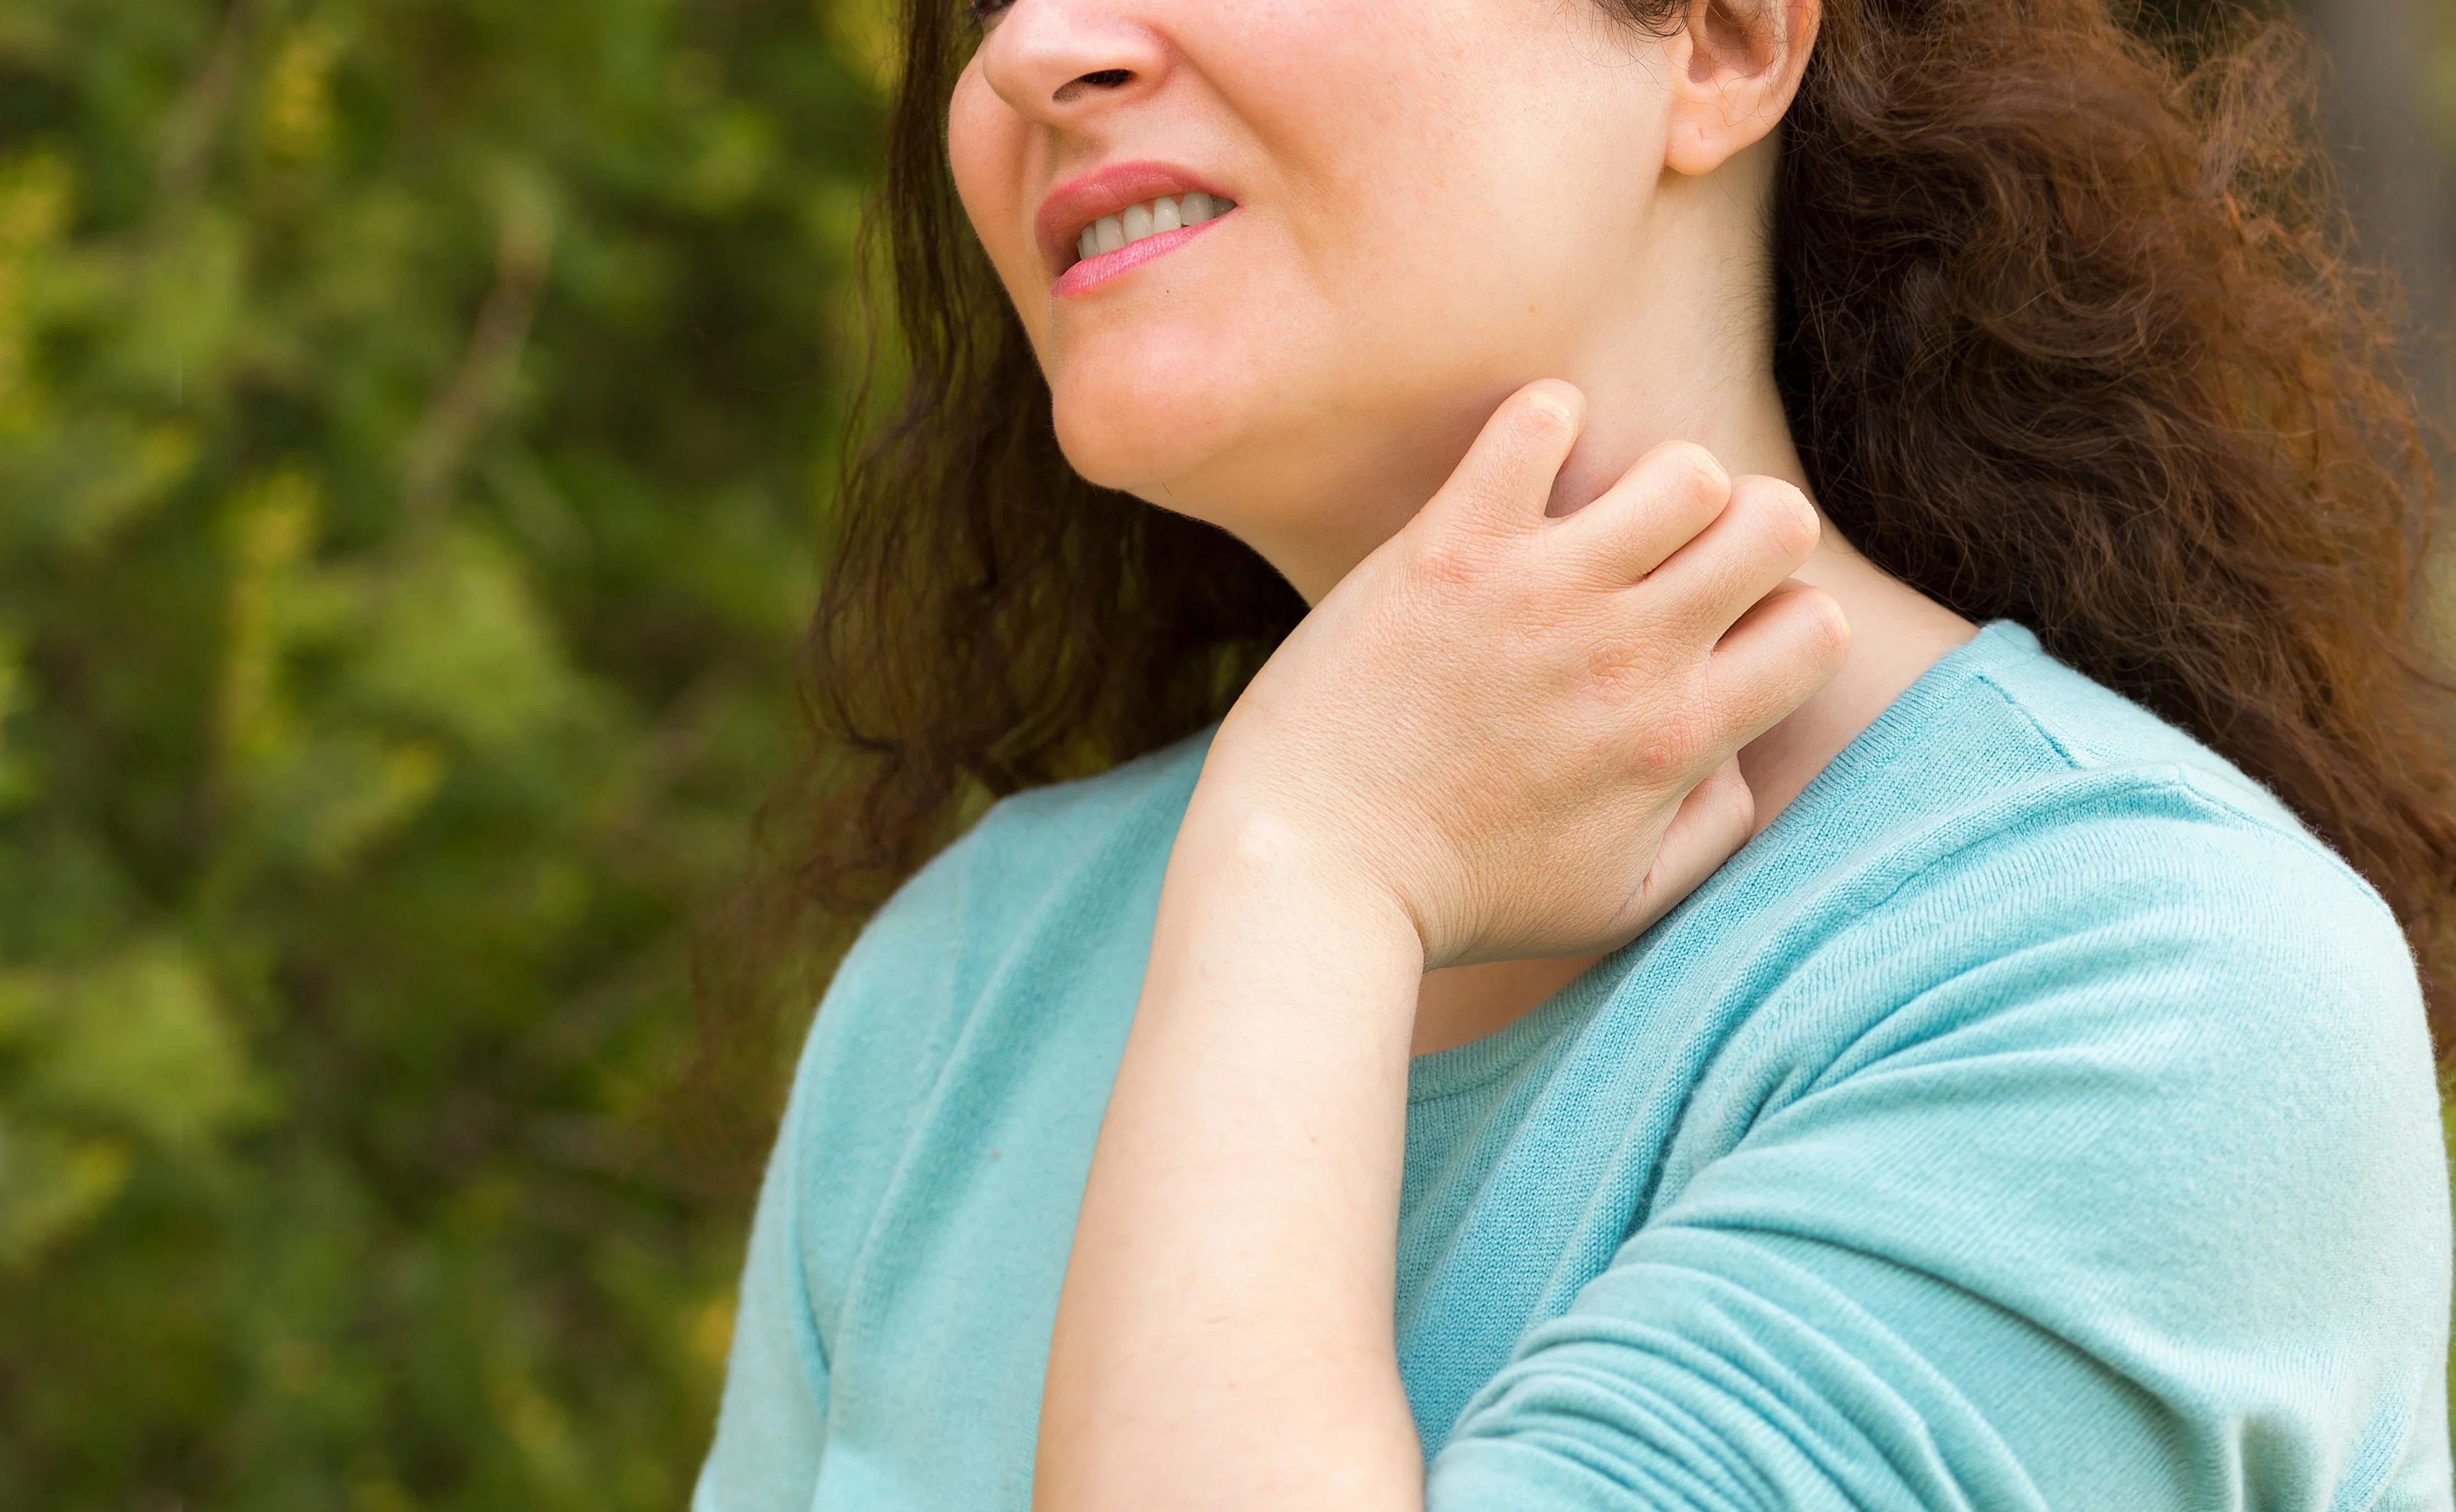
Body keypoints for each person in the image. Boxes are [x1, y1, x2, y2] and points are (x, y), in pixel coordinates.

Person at [694, 0, 2456, 1506]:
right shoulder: (964, 982)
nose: (1032, 52)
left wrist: (1313, 872)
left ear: (1719, 34)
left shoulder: (2156, 988)